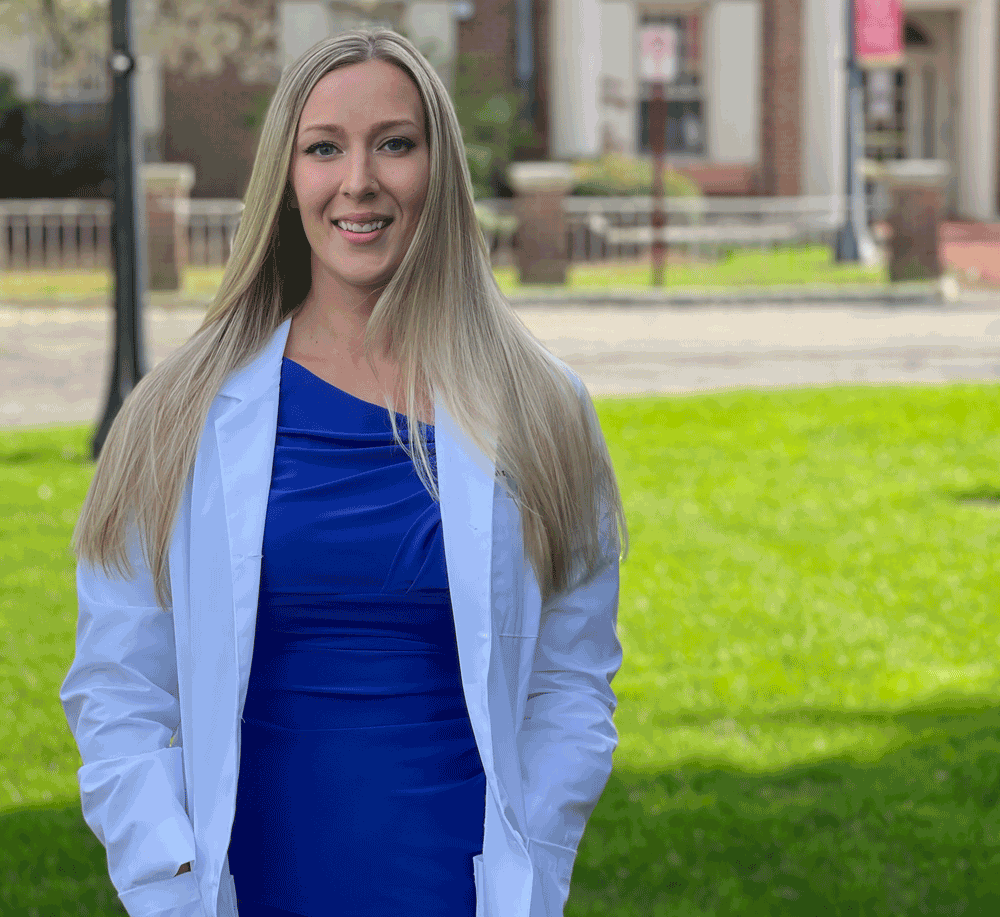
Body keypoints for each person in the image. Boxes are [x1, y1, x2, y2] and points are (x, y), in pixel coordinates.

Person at [60, 27, 628, 917]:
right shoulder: (178, 410)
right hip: (249, 889)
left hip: (459, 886)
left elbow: (570, 677)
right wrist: (165, 875)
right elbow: (119, 684)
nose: (358, 180)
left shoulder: (544, 408)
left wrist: (543, 856)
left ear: (439, 171)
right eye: (324, 147)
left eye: (394, 144)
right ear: (286, 179)